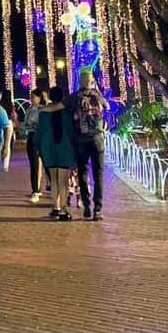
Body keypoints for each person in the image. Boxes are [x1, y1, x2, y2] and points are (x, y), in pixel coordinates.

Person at [44, 69, 108, 220]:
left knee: (87, 174)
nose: (87, 81)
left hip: (87, 140)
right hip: (91, 140)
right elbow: (108, 107)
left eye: (88, 78)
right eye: (87, 78)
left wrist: (43, 109)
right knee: (92, 175)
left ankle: (91, 207)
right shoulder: (90, 96)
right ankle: (93, 208)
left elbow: (57, 107)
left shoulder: (77, 97)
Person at [38, 86, 75, 220]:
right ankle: (64, 209)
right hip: (64, 149)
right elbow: (72, 132)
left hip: (50, 150)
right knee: (63, 181)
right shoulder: (67, 113)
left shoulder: (44, 114)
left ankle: (56, 206)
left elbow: (39, 133)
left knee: (53, 180)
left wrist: (40, 149)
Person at [24, 89, 48, 202]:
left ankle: (53, 185)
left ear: (40, 98)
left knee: (47, 164)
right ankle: (35, 190)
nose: (32, 99)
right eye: (31, 97)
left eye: (34, 97)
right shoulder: (29, 110)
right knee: (34, 165)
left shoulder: (44, 109)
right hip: (32, 137)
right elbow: (26, 124)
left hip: (42, 138)